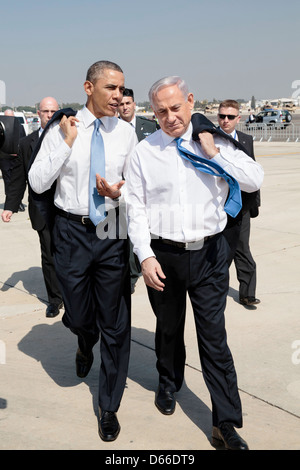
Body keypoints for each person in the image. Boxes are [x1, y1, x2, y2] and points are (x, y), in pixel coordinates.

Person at [125, 76, 264, 450]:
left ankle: (226, 423)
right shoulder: (144, 152)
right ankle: (168, 382)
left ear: (190, 101)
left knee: (214, 339)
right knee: (168, 330)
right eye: (160, 112)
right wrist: (145, 255)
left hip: (210, 256)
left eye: (175, 108)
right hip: (164, 256)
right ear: (151, 113)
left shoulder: (215, 141)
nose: (170, 117)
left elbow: (253, 180)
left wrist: (215, 153)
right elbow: (135, 209)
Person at [28, 61, 137, 442]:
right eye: (110, 88)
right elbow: (38, 180)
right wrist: (66, 144)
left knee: (116, 322)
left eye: (121, 89)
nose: (118, 96)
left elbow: (135, 185)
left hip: (111, 228)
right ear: (88, 88)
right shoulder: (64, 129)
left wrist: (119, 193)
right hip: (71, 231)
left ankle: (109, 406)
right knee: (77, 312)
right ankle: (82, 337)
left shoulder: (126, 133)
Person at [1, 97, 64, 318]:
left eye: (53, 111)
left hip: (68, 209)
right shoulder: (26, 143)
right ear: (38, 113)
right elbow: (19, 179)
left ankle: (73, 295)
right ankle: (55, 299)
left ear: (59, 113)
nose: (49, 114)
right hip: (41, 209)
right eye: (45, 111)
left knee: (69, 254)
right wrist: (10, 206)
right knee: (48, 255)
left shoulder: (70, 139)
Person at [218, 99, 261, 306]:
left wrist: (255, 205)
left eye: (230, 117)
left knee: (243, 249)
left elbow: (253, 173)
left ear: (238, 118)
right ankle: (216, 290)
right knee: (221, 251)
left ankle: (247, 293)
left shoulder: (246, 140)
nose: (225, 121)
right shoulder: (210, 138)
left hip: (242, 206)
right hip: (218, 207)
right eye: (221, 116)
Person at [118, 88, 159, 292]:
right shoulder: (112, 129)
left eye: (128, 103)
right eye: (121, 104)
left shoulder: (149, 127)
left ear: (134, 104)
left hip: (147, 188)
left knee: (148, 230)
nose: (124, 107)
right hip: (124, 190)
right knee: (126, 233)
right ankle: (132, 274)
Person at [0, 109, 26, 211]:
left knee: (17, 180)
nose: (9, 119)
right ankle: (10, 202)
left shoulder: (20, 127)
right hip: (5, 159)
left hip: (16, 158)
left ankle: (18, 201)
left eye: (11, 117)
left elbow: (23, 140)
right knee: (7, 181)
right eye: (7, 117)